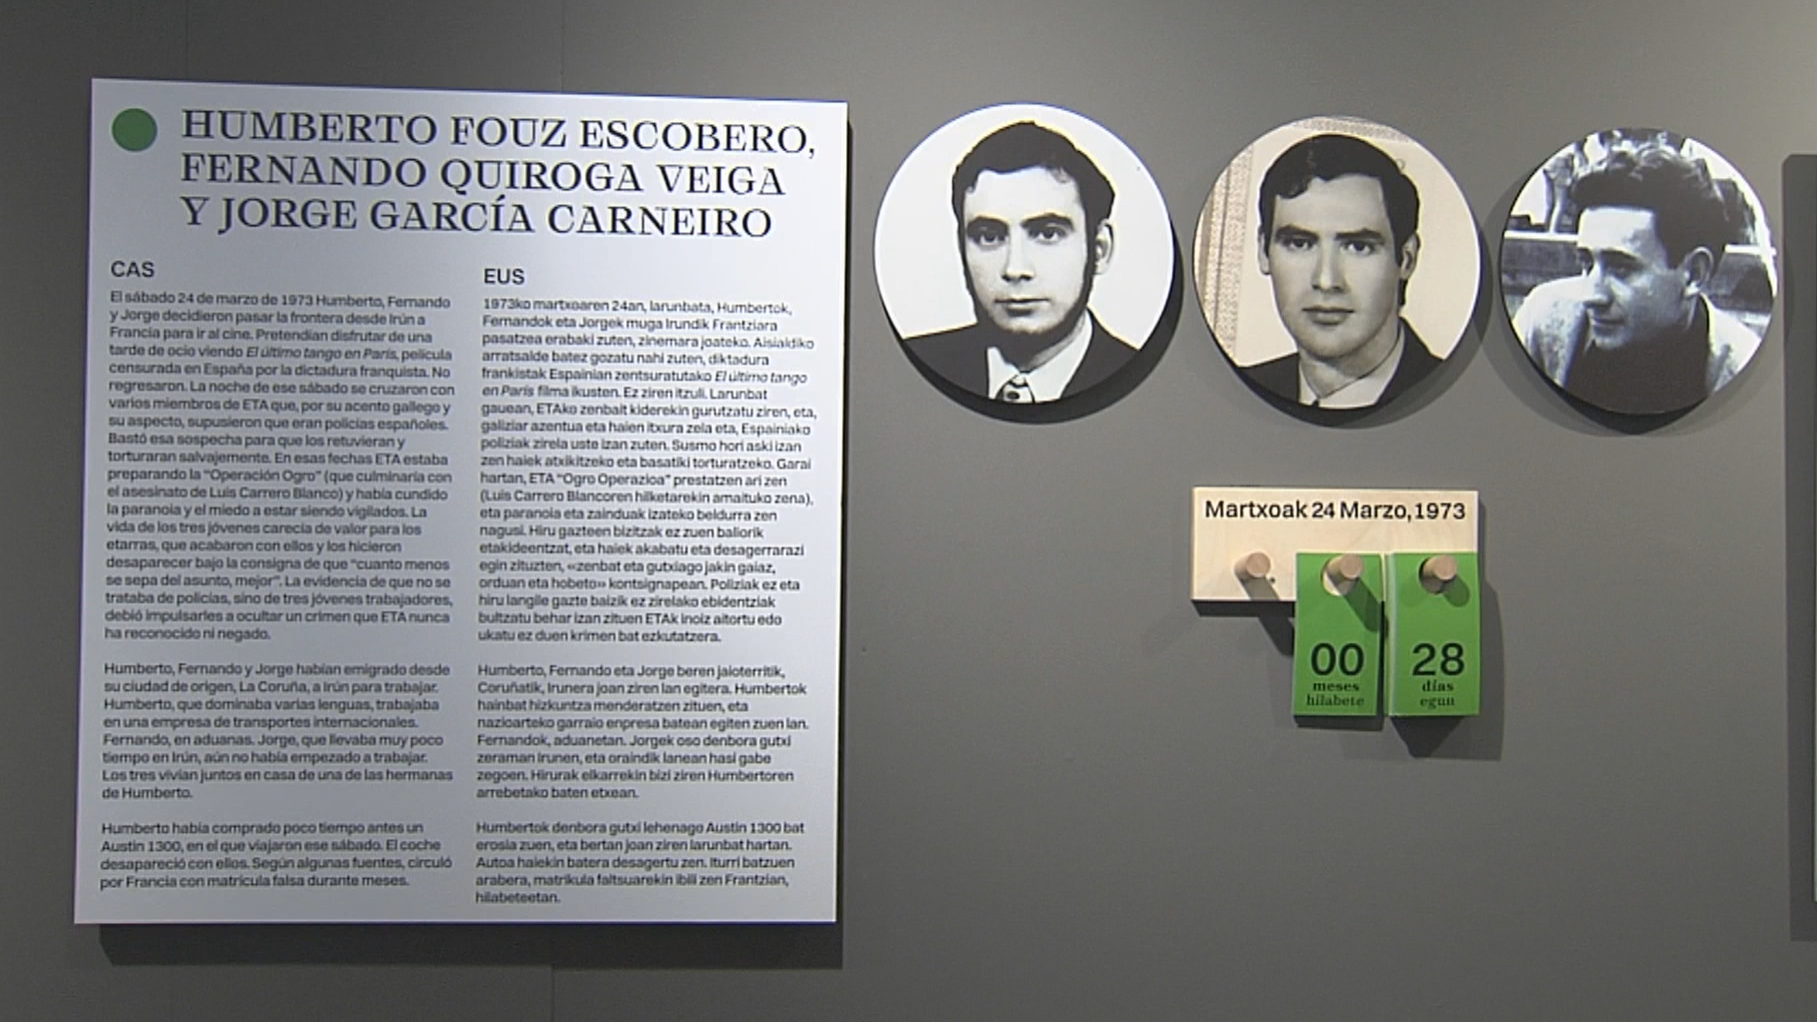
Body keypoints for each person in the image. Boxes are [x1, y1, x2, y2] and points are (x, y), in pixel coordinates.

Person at [1513, 143, 1758, 414]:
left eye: (1621, 268)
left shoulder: (1744, 373)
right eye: (1586, 263)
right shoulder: (1544, 318)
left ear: (1694, 274)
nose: (1591, 295)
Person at [903, 121, 1134, 403]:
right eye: (989, 237)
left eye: (1048, 234)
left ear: (1099, 250)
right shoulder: (906, 368)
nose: (1015, 269)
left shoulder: (1145, 383)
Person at [1246, 133, 1438, 409]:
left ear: (1406, 259)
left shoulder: (1460, 399)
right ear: (1263, 252)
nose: (1326, 280)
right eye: (1299, 243)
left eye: (1358, 247)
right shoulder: (1239, 389)